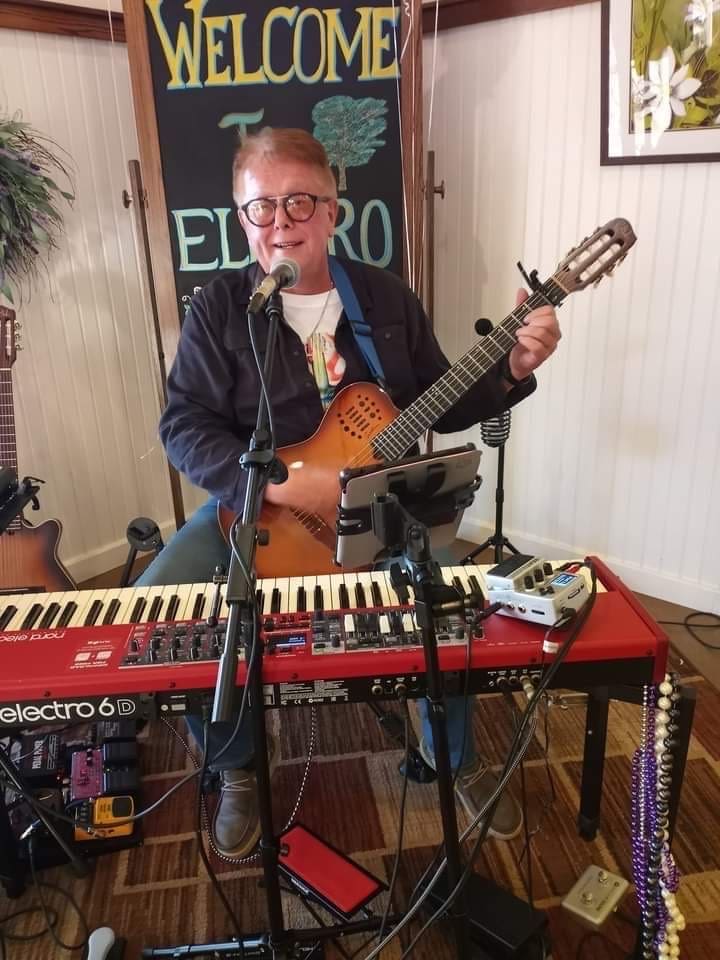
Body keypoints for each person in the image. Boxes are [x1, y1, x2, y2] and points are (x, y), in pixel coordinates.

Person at [137, 127, 561, 859]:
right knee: (156, 614)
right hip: (258, 511)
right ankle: (237, 763)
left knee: (450, 609)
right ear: (242, 219)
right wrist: (279, 482)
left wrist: (513, 368)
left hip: (383, 511)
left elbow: (435, 400)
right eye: (261, 207)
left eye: (299, 202)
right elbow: (183, 426)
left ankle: (451, 757)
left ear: (332, 210)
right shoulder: (219, 309)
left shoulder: (384, 296)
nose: (280, 222)